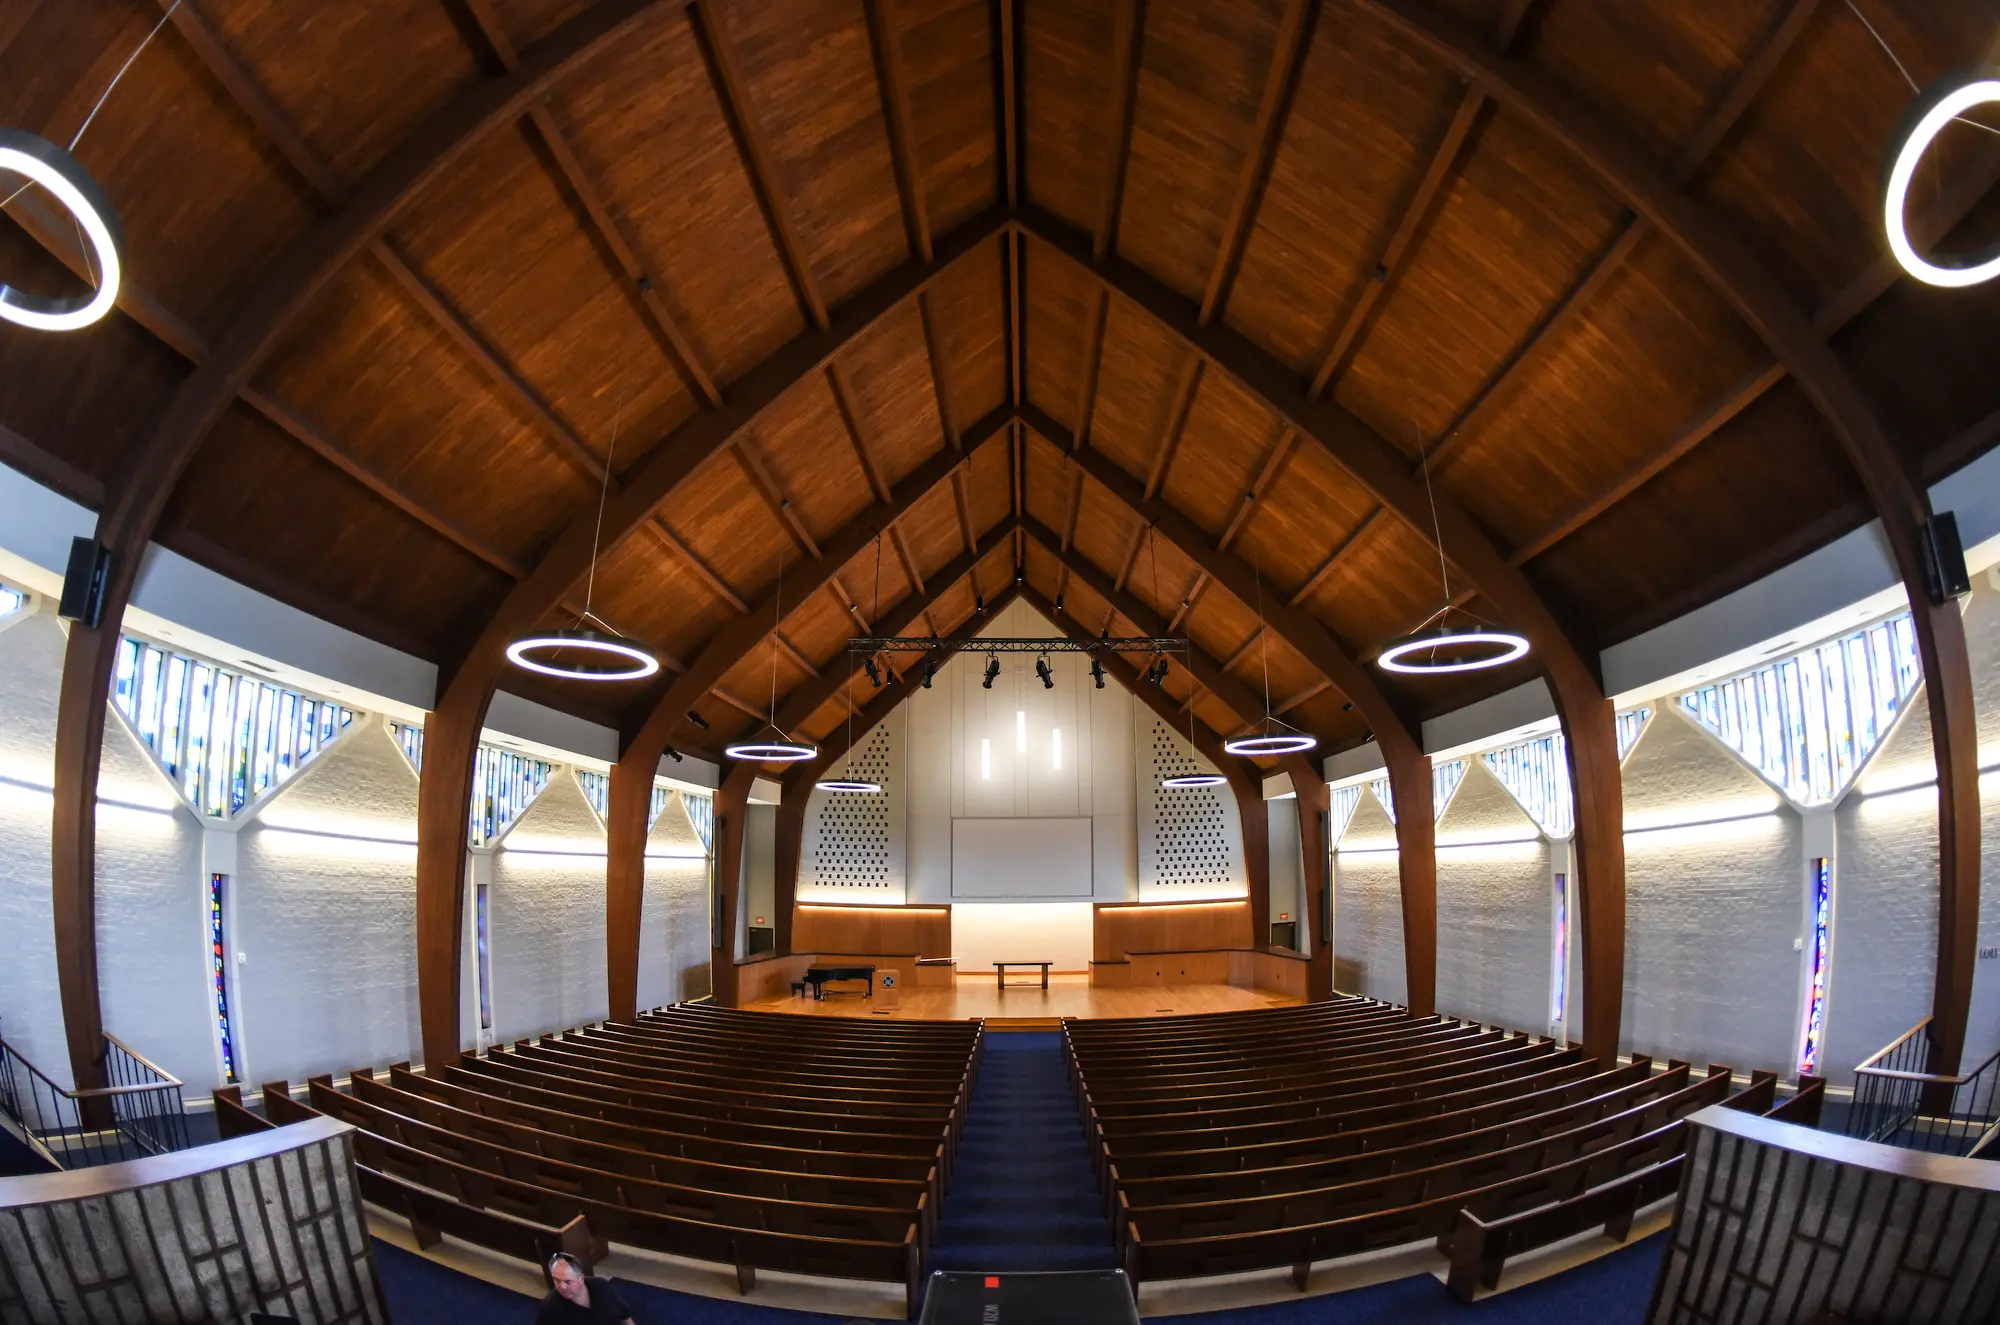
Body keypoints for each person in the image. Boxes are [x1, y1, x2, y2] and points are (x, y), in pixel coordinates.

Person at [535, 1253, 635, 1325]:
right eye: (556, 1280)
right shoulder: (549, 1308)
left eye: (568, 1281)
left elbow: (625, 1316)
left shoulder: (601, 1286)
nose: (562, 1287)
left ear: (581, 1279)